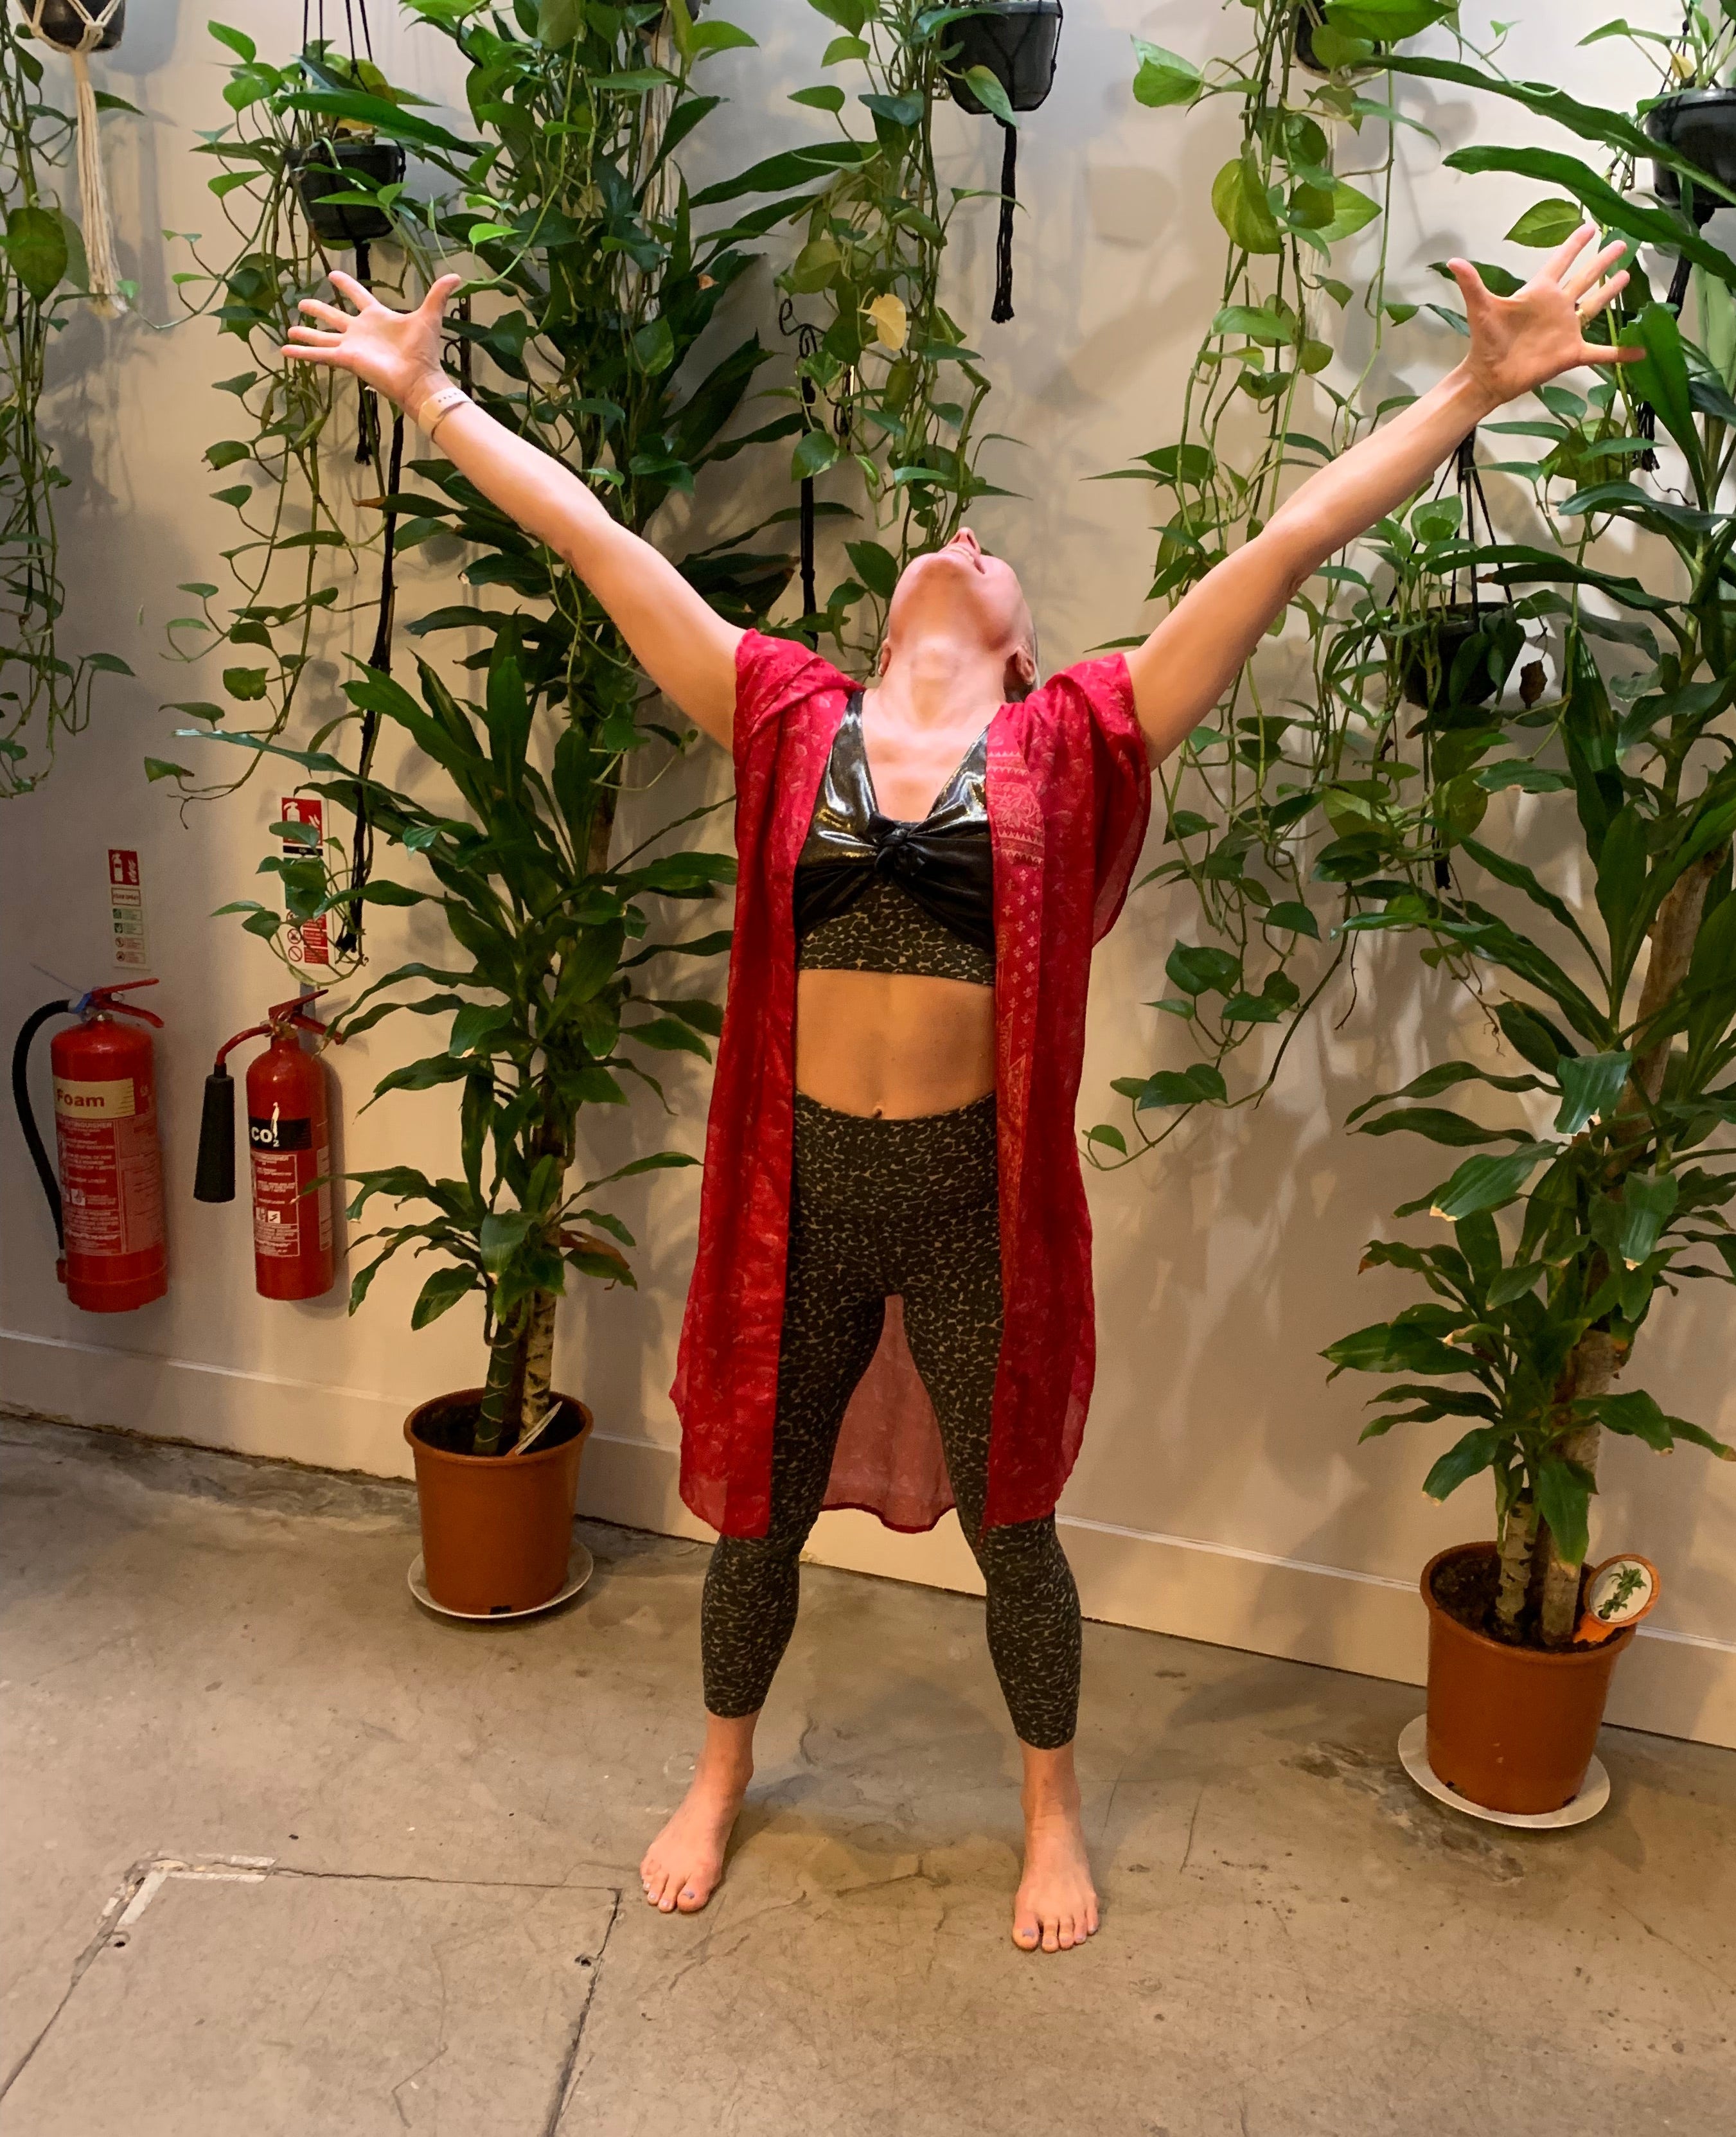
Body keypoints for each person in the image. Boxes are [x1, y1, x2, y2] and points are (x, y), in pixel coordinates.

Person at [283, 224, 1638, 1953]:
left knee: (1018, 1535)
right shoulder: (782, 714)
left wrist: (1471, 389)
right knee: (756, 1526)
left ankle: (1049, 1815)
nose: (966, 536)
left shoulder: (1075, 735)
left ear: (1016, 646)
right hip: (808, 1189)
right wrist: (435, 399)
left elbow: (1288, 541)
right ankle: (718, 1771)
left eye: (996, 553)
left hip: (971, 1200)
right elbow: (603, 547)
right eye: (945, 539)